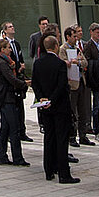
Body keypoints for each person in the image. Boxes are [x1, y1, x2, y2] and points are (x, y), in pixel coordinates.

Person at [31, 34, 79, 184]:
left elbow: (35, 83)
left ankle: (49, 169)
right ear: (56, 46)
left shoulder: (38, 63)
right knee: (61, 139)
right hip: (59, 106)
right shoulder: (59, 64)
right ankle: (64, 173)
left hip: (45, 106)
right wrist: (52, 99)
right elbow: (61, 86)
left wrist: (42, 98)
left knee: (49, 137)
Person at [0, 37, 29, 166]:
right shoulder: (2, 63)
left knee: (5, 128)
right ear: (2, 50)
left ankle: (2, 156)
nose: (10, 50)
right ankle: (17, 157)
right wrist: (24, 84)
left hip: (8, 97)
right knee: (13, 129)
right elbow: (11, 79)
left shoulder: (6, 62)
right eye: (8, 48)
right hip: (7, 98)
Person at [60, 26, 94, 147]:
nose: (76, 38)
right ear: (68, 37)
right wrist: (68, 62)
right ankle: (72, 135)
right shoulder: (63, 49)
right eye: (73, 36)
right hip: (71, 84)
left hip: (81, 81)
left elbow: (85, 62)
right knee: (72, 111)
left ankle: (83, 135)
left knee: (83, 110)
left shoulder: (77, 49)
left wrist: (78, 62)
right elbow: (62, 62)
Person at [2, 21, 32, 141]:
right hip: (12, 77)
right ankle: (12, 132)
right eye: (9, 27)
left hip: (19, 75)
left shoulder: (17, 44)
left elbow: (20, 57)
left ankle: (22, 131)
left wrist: (22, 66)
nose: (12, 28)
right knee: (12, 107)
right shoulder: (4, 45)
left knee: (20, 106)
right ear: (5, 31)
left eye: (12, 26)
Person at [83, 22, 99, 143]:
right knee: (96, 106)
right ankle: (97, 130)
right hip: (96, 79)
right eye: (97, 33)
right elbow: (88, 62)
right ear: (91, 33)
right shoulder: (88, 45)